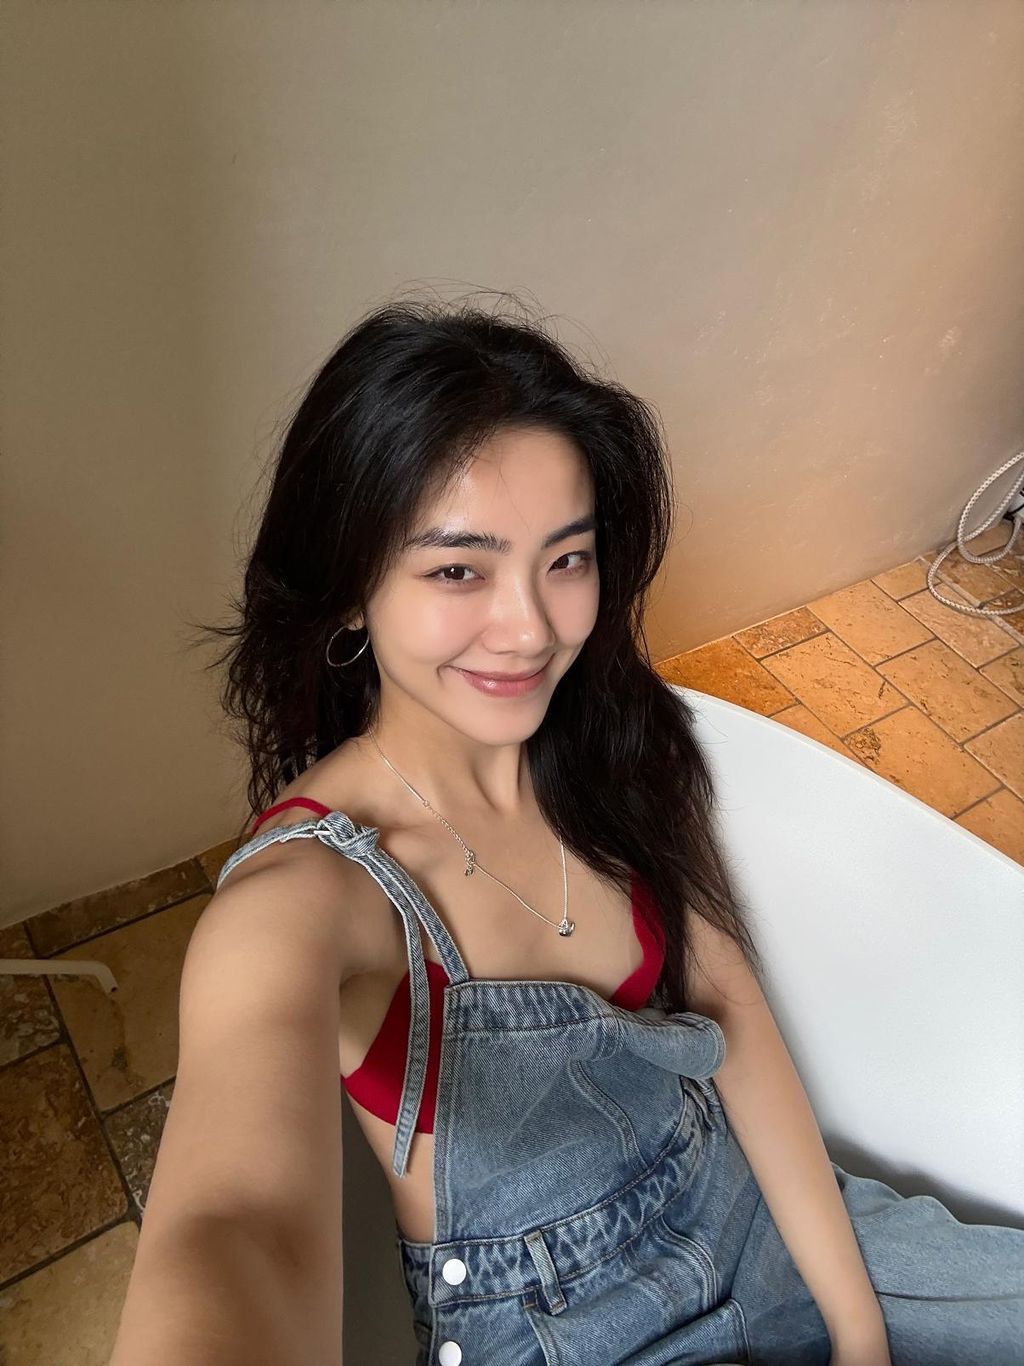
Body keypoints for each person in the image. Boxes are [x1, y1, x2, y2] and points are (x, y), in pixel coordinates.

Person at [119, 294, 1024, 1366]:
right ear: (351, 590)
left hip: (755, 1216)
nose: (531, 628)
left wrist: (859, 1333)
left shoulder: (610, 741)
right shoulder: (302, 901)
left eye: (566, 559)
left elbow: (728, 1005)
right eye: (458, 569)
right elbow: (236, 1230)